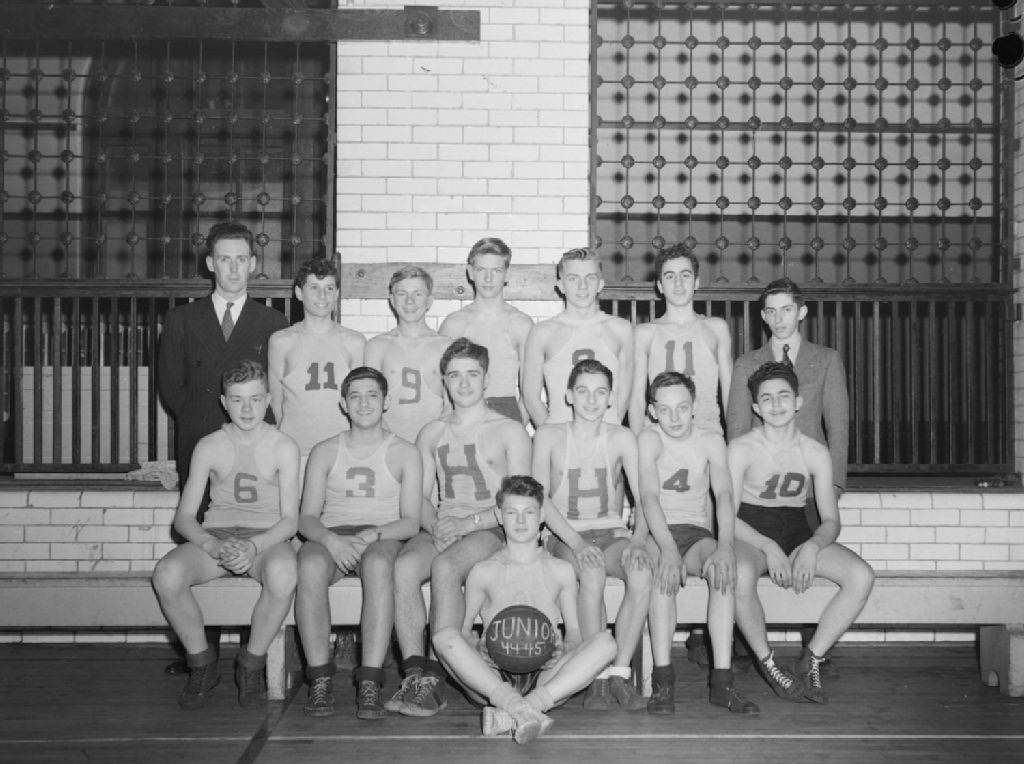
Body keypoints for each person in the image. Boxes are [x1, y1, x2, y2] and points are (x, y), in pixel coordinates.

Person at [157, 221, 288, 675]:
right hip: (200, 439)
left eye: (241, 259)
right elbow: (171, 387)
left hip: (255, 445)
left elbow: (275, 387)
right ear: (210, 263)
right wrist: (205, 423)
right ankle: (202, 651)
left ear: (253, 264)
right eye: (224, 259)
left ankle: (255, 648)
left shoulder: (272, 322)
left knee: (256, 540)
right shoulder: (182, 319)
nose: (233, 268)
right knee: (202, 535)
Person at [390, 338, 532, 717]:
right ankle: (413, 675)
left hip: (492, 526)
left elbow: (520, 500)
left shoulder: (510, 430)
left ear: (487, 379)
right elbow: (418, 499)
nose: (464, 383)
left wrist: (467, 523)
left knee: (446, 566)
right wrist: (438, 526)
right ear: (444, 381)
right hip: (445, 525)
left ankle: (435, 677)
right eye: (454, 375)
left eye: (472, 374)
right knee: (404, 566)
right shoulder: (431, 432)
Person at [151, 360, 300, 710]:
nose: (246, 409)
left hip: (265, 540)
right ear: (223, 402)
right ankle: (202, 664)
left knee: (284, 573)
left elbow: (290, 520)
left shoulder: (284, 446)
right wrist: (214, 545)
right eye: (237, 399)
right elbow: (184, 518)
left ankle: (251, 664)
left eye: (255, 399)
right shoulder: (209, 445)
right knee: (167, 574)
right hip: (217, 536)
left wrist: (253, 546)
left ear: (268, 400)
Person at [432, 475, 617, 744]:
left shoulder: (561, 570)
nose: (520, 521)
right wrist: (480, 646)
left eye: (529, 513)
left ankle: (520, 709)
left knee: (606, 643)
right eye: (511, 513)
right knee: (443, 637)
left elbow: (575, 634)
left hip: (545, 676)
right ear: (499, 515)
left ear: (542, 515)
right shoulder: (483, 571)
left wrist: (562, 649)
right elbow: (463, 632)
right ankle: (518, 707)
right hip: (493, 677)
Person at [729, 362, 874, 704]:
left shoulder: (815, 452)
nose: (776, 404)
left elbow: (831, 520)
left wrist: (811, 547)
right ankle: (768, 662)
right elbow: (726, 516)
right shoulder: (740, 448)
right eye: (767, 398)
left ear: (798, 402)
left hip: (796, 530)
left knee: (861, 576)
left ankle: (812, 658)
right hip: (750, 533)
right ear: (756, 407)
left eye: (783, 396)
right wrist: (767, 546)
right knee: (741, 575)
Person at [725, 276, 850, 670]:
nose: (779, 319)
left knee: (809, 565)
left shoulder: (825, 359)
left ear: (802, 312)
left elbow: (838, 425)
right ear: (763, 317)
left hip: (810, 486)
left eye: (787, 310)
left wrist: (834, 484)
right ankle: (748, 646)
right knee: (752, 562)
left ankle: (815, 652)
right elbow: (737, 429)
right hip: (759, 487)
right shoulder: (747, 363)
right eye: (772, 311)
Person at [294, 366, 422, 720]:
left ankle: (370, 681)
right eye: (355, 396)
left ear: (386, 401)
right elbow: (306, 518)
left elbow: (411, 520)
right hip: (334, 534)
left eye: (372, 395)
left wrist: (375, 534)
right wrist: (332, 541)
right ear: (343, 404)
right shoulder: (324, 450)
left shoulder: (405, 451)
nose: (364, 403)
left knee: (379, 564)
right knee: (309, 564)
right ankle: (320, 679)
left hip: (381, 534)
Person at [531, 358, 652, 711]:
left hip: (611, 531)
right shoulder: (549, 435)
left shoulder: (622, 437)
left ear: (611, 398)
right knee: (592, 571)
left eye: (600, 392)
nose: (591, 399)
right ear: (569, 395)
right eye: (583, 391)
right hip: (566, 534)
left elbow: (645, 498)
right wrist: (576, 542)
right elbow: (540, 499)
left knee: (641, 573)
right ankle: (595, 674)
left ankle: (619, 672)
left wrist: (638, 540)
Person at [639, 371, 758, 716]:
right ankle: (663, 680)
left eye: (682, 408)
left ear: (694, 407)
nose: (674, 417)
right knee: (661, 577)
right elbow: (648, 497)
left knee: (723, 573)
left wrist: (725, 546)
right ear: (652, 411)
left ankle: (722, 682)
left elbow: (724, 494)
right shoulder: (649, 439)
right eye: (665, 410)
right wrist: (667, 549)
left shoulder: (710, 441)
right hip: (659, 532)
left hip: (695, 532)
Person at [268, 256, 366, 470]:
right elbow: (276, 401)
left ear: (337, 293)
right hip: (295, 451)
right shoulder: (281, 341)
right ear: (299, 293)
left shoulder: (354, 342)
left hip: (341, 451)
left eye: (329, 288)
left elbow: (359, 400)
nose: (323, 296)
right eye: (314, 288)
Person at [522, 247, 633, 427]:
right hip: (559, 436)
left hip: (607, 437)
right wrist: (552, 435)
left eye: (590, 278)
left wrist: (607, 433)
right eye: (573, 278)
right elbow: (530, 397)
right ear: (561, 286)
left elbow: (625, 395)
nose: (583, 286)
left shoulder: (621, 330)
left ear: (600, 284)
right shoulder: (542, 333)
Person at [629, 244, 732, 434]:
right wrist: (637, 444)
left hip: (706, 434)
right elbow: (636, 398)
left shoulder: (716, 328)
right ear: (660, 286)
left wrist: (734, 443)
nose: (678, 283)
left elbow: (729, 394)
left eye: (685, 275)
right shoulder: (645, 333)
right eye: (670, 276)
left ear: (696, 282)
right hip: (659, 438)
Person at [439, 237, 534, 423]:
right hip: (463, 412)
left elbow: (528, 392)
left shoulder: (520, 324)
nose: (488, 279)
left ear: (507, 274)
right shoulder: (455, 323)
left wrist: (518, 425)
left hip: (504, 411)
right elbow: (443, 386)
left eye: (496, 271)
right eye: (481, 270)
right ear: (470, 272)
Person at [364, 265, 452, 444]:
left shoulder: (445, 346)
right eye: (402, 294)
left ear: (429, 301)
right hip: (388, 444)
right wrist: (395, 446)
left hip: (435, 444)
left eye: (418, 294)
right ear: (392, 300)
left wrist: (430, 443)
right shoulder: (376, 346)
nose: (409, 301)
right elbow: (371, 403)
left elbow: (451, 407)